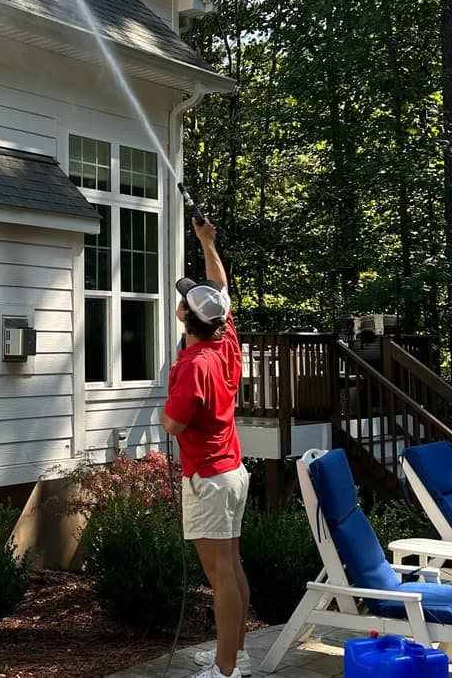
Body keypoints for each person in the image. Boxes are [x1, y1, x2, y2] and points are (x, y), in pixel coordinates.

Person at [161, 219, 251, 678]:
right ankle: (236, 653)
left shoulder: (195, 364)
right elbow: (219, 287)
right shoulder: (225, 341)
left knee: (220, 576)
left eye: (183, 300)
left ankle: (226, 670)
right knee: (231, 567)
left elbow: (173, 423)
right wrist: (207, 242)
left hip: (209, 480)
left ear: (184, 316)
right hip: (231, 472)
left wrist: (165, 406)